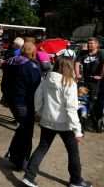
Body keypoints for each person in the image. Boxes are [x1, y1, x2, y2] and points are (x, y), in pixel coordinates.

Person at [22, 57, 92, 187]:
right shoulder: (70, 83)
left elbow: (37, 99)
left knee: (42, 148)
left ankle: (29, 176)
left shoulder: (45, 80)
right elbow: (71, 108)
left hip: (47, 120)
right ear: (68, 67)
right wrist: (77, 131)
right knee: (73, 151)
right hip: (65, 123)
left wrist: (41, 113)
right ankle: (76, 181)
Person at [1, 42, 41, 170]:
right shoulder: (29, 65)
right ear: (32, 52)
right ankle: (20, 160)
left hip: (13, 100)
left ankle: (14, 153)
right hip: (24, 102)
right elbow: (36, 86)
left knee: (23, 128)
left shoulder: (11, 61)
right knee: (27, 131)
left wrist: (6, 97)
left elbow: (4, 83)